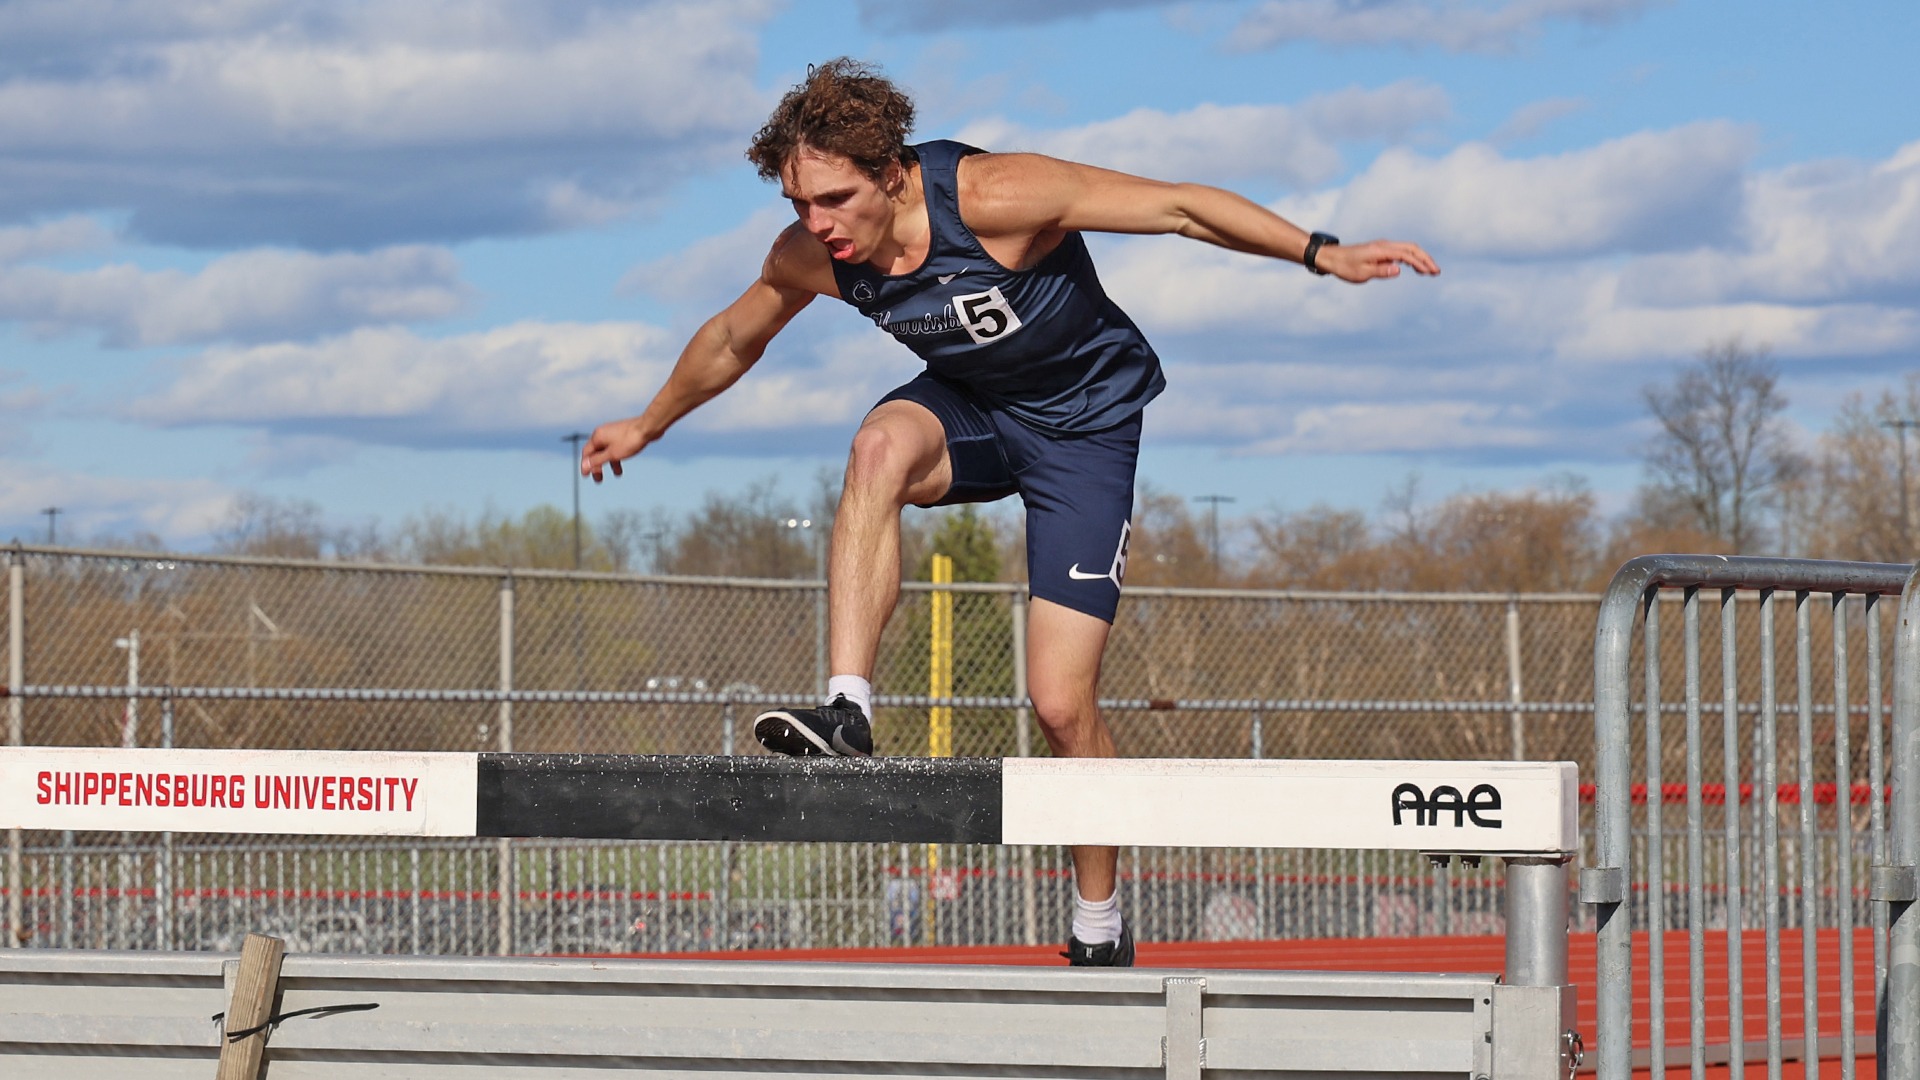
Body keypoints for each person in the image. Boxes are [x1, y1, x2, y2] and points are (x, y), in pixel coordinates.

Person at [580, 58, 1438, 966]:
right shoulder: (818, 256)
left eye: (832, 199)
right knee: (876, 448)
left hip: (1085, 432)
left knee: (1061, 704)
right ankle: (847, 710)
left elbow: (1179, 207)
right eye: (798, 203)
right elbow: (729, 337)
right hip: (972, 411)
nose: (815, 224)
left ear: (892, 173)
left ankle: (1099, 921)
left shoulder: (992, 196)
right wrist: (646, 421)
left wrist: (1319, 250)